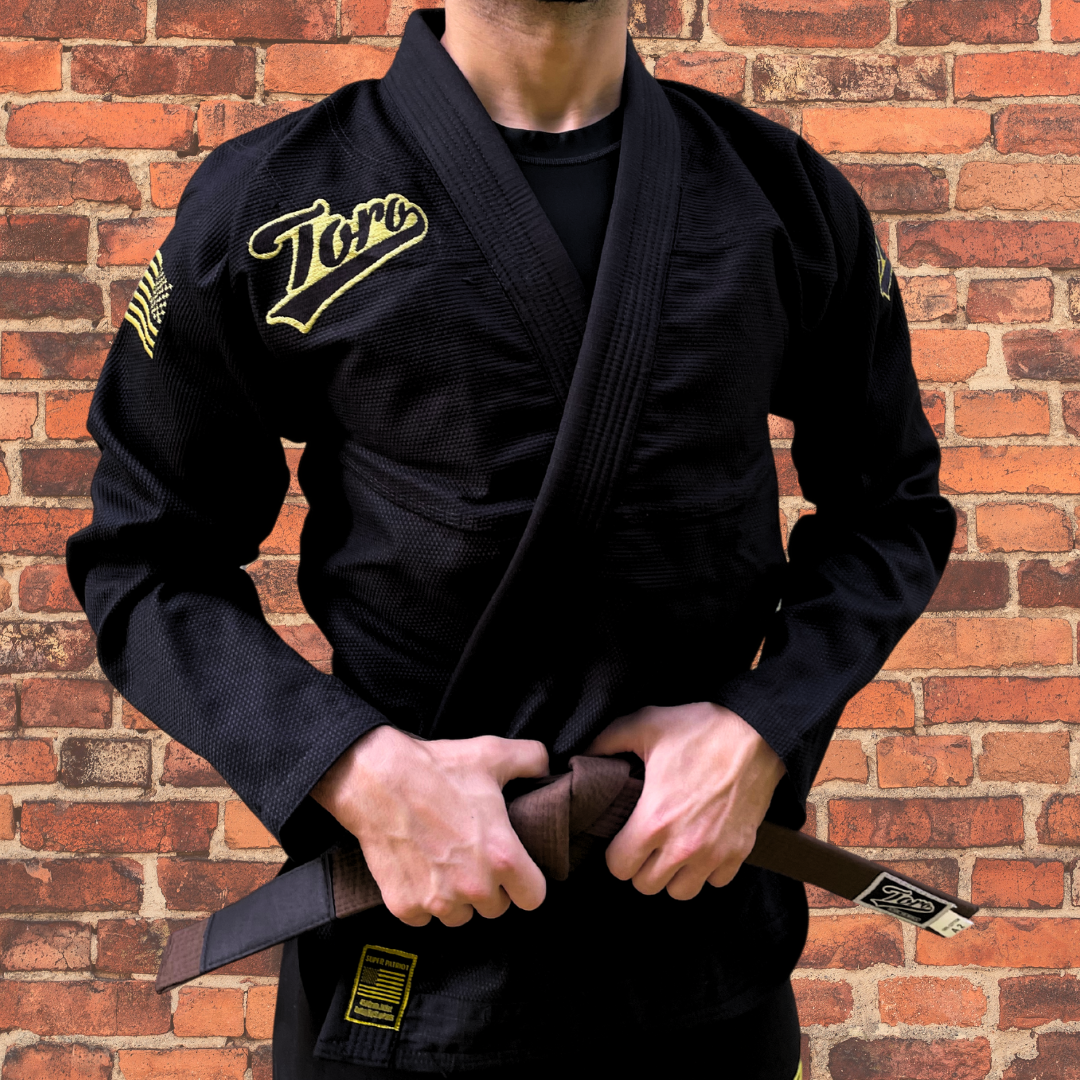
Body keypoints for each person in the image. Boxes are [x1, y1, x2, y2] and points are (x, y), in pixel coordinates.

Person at [66, 1, 955, 1076]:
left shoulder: (779, 196)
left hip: (696, 946)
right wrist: (355, 771)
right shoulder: (275, 203)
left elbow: (890, 507)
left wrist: (762, 731)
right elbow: (148, 558)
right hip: (412, 955)